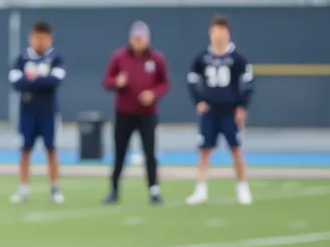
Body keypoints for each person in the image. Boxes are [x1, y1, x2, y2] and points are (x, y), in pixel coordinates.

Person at [185, 16, 255, 206]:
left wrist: (242, 106)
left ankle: (242, 188)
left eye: (222, 32)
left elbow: (248, 83)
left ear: (228, 33)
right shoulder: (202, 58)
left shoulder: (237, 59)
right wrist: (198, 101)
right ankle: (200, 190)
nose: (218, 36)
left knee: (236, 149)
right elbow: (191, 81)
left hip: (229, 111)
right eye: (215, 32)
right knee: (204, 151)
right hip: (210, 111)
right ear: (210, 33)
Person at [102, 21, 170, 205]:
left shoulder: (156, 59)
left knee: (149, 152)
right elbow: (107, 81)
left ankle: (154, 190)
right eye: (135, 38)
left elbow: (164, 84)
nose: (138, 41)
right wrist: (117, 82)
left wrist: (153, 94)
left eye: (141, 38)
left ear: (147, 39)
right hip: (124, 112)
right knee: (119, 152)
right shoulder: (119, 57)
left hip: (147, 114)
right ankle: (114, 189)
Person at [8, 21, 66, 205]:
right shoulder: (22, 58)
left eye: (42, 38)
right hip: (27, 113)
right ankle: (23, 189)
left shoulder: (56, 57)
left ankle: (55, 189)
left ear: (48, 39)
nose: (38, 42)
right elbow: (16, 82)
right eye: (35, 37)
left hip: (48, 112)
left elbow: (55, 81)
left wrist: (34, 79)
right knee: (25, 150)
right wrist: (37, 81)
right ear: (30, 38)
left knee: (51, 150)